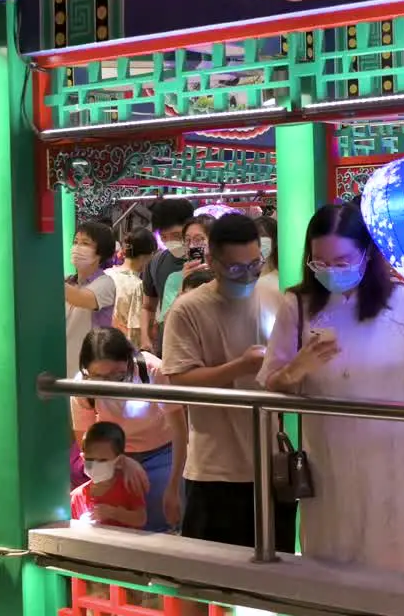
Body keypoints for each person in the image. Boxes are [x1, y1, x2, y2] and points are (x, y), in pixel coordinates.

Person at [259, 203, 404, 575]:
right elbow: (272, 382)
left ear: (367, 253)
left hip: (398, 458)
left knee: (398, 563)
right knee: (334, 562)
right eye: (320, 262)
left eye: (342, 260)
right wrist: (295, 370)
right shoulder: (297, 305)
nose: (331, 271)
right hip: (328, 458)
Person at [162, 213, 298, 554]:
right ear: (211, 260)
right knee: (211, 580)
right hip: (214, 470)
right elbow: (178, 381)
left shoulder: (272, 297)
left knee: (273, 577)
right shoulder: (188, 310)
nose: (248, 275)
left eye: (255, 265)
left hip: (270, 467)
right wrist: (240, 366)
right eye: (236, 269)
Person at [71, 328, 182, 532]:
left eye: (118, 376)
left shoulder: (152, 370)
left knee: (157, 516)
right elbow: (86, 443)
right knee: (113, 519)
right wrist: (121, 461)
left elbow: (180, 431)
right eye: (99, 377)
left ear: (129, 361)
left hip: (161, 452)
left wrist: (174, 485)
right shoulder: (81, 386)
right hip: (112, 455)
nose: (108, 385)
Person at [64, 221, 118, 382]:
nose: (77, 248)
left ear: (100, 253)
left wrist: (48, 272)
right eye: (75, 242)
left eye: (85, 243)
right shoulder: (68, 282)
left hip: (91, 367)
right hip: (63, 365)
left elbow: (82, 299)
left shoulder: (105, 283)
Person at [141, 199, 195, 355]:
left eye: (177, 235)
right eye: (164, 237)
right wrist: (145, 337)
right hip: (166, 347)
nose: (171, 242)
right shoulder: (155, 263)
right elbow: (148, 307)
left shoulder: (210, 261)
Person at [71, 421, 148, 529]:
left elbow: (141, 519)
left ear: (119, 461)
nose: (96, 465)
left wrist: (113, 513)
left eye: (103, 460)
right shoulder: (77, 496)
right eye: (90, 459)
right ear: (83, 458)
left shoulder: (128, 487)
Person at [156, 217, 210, 328]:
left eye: (199, 239)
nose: (192, 246)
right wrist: (183, 285)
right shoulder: (175, 278)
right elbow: (168, 323)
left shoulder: (225, 275)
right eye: (187, 240)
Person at [108, 228, 157, 348]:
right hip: (121, 348)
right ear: (148, 255)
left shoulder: (107, 274)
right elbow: (135, 332)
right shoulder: (138, 286)